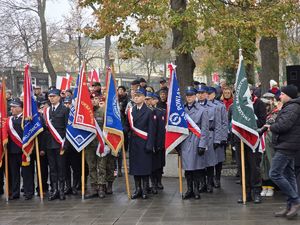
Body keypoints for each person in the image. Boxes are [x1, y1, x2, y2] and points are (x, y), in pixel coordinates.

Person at [268, 85, 300, 219]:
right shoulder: (291, 106)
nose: (280, 96)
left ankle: (295, 201)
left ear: (288, 95)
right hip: (288, 144)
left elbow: (283, 125)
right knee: (289, 175)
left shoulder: (293, 107)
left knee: (274, 173)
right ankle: (290, 206)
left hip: (287, 145)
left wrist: (271, 127)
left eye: (282, 94)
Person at [236, 86, 266, 204]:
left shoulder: (259, 104)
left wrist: (248, 122)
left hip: (253, 140)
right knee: (243, 167)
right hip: (240, 140)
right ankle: (246, 192)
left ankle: (256, 192)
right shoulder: (236, 106)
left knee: (254, 168)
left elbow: (262, 121)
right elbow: (232, 122)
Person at [125, 87, 155, 199]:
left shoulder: (149, 112)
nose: (136, 98)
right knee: (135, 168)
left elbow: (152, 130)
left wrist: (149, 144)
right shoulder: (131, 111)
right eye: (135, 96)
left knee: (144, 167)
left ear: (143, 97)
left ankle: (145, 189)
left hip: (144, 142)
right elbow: (128, 126)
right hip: (134, 143)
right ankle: (138, 189)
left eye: (139, 96)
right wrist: (123, 130)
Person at [180, 86, 209, 199]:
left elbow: (205, 129)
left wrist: (202, 144)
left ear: (195, 96)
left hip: (197, 140)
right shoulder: (182, 109)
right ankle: (189, 189)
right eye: (187, 95)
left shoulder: (202, 110)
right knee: (188, 169)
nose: (189, 97)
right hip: (185, 141)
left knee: (196, 168)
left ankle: (196, 190)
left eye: (191, 95)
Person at [44, 88, 69, 201]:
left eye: (54, 96)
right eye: (50, 96)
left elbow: (67, 128)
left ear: (59, 97)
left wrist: (65, 144)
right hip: (49, 144)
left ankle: (62, 189)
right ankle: (54, 190)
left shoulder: (64, 110)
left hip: (60, 143)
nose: (51, 98)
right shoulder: (47, 110)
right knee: (52, 168)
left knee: (61, 167)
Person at [7, 99, 34, 200]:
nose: (11, 109)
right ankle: (15, 192)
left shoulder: (26, 119)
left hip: (24, 151)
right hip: (12, 151)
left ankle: (28, 192)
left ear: (20, 108)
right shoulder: (9, 120)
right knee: (14, 173)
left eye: (14, 107)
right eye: (11, 107)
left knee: (27, 173)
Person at [207, 87, 228, 189]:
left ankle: (217, 178)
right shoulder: (203, 105)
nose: (208, 95)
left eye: (210, 93)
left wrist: (223, 138)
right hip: (208, 135)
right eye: (207, 93)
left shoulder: (220, 105)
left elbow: (224, 122)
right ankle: (209, 180)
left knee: (219, 159)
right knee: (209, 159)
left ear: (214, 94)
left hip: (218, 134)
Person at [63, 97, 81, 195]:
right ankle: (68, 186)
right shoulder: (62, 114)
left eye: (69, 103)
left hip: (75, 145)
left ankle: (75, 186)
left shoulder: (76, 115)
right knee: (65, 168)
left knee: (76, 168)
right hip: (65, 145)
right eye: (65, 103)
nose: (67, 105)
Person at [150, 93, 166, 192]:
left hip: (159, 142)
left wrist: (161, 144)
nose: (149, 101)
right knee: (152, 164)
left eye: (151, 99)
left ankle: (159, 181)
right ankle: (153, 183)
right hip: (150, 143)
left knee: (160, 163)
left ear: (156, 100)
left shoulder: (161, 112)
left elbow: (162, 130)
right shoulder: (147, 112)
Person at [117, 86, 129, 177]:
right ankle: (115, 169)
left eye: (121, 90)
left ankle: (120, 168)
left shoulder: (126, 101)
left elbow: (125, 120)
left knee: (120, 151)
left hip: (121, 130)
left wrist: (124, 130)